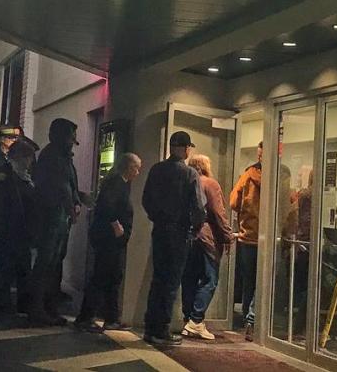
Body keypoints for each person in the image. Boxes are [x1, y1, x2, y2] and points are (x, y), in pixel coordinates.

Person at [141, 131, 206, 346]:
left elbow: (146, 199)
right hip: (179, 233)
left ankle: (150, 327)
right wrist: (196, 227)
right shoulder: (189, 174)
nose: (189, 151)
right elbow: (198, 206)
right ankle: (162, 330)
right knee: (171, 282)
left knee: (158, 279)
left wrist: (157, 217)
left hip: (159, 230)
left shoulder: (157, 170)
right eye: (188, 147)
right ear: (184, 148)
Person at [75, 153, 142, 333]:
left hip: (111, 239)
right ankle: (87, 317)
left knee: (111, 277)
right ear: (129, 167)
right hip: (109, 240)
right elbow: (108, 206)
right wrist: (116, 225)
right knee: (103, 276)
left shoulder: (118, 182)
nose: (138, 173)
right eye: (137, 168)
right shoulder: (116, 183)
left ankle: (111, 317)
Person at [28, 118, 81, 326]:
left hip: (59, 217)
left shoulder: (63, 157)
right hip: (51, 217)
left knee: (54, 262)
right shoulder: (52, 157)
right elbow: (58, 187)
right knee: (46, 263)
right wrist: (71, 205)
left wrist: (77, 199)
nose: (73, 142)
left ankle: (48, 306)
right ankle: (38, 308)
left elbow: (69, 185)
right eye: (71, 137)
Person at [181, 154, 236, 341]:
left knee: (189, 278)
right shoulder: (210, 184)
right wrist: (228, 236)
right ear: (205, 166)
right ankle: (196, 321)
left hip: (189, 236)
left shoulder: (186, 183)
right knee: (210, 279)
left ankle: (188, 318)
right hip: (207, 237)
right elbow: (218, 213)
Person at [0, 137, 38, 315]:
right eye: (28, 158)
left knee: (21, 270)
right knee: (5, 271)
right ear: (19, 158)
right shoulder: (4, 176)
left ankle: (20, 304)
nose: (30, 162)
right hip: (6, 231)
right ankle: (0, 306)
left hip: (20, 231)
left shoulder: (24, 178)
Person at [230, 141, 263, 340]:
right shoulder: (281, 175)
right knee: (263, 280)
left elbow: (234, 202)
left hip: (247, 235)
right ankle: (253, 319)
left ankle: (246, 318)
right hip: (267, 237)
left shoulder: (248, 174)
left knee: (249, 279)